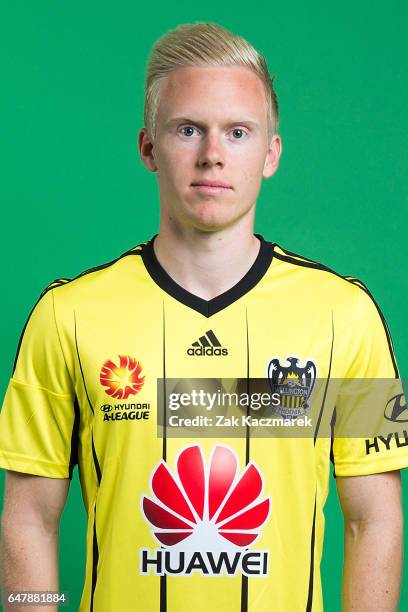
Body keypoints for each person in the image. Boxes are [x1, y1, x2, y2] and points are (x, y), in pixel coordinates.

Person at [0, 21, 407, 612]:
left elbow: (376, 521)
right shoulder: (67, 316)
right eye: (188, 129)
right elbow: (29, 520)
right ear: (148, 148)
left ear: (271, 154)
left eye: (237, 132)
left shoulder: (349, 315)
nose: (213, 154)